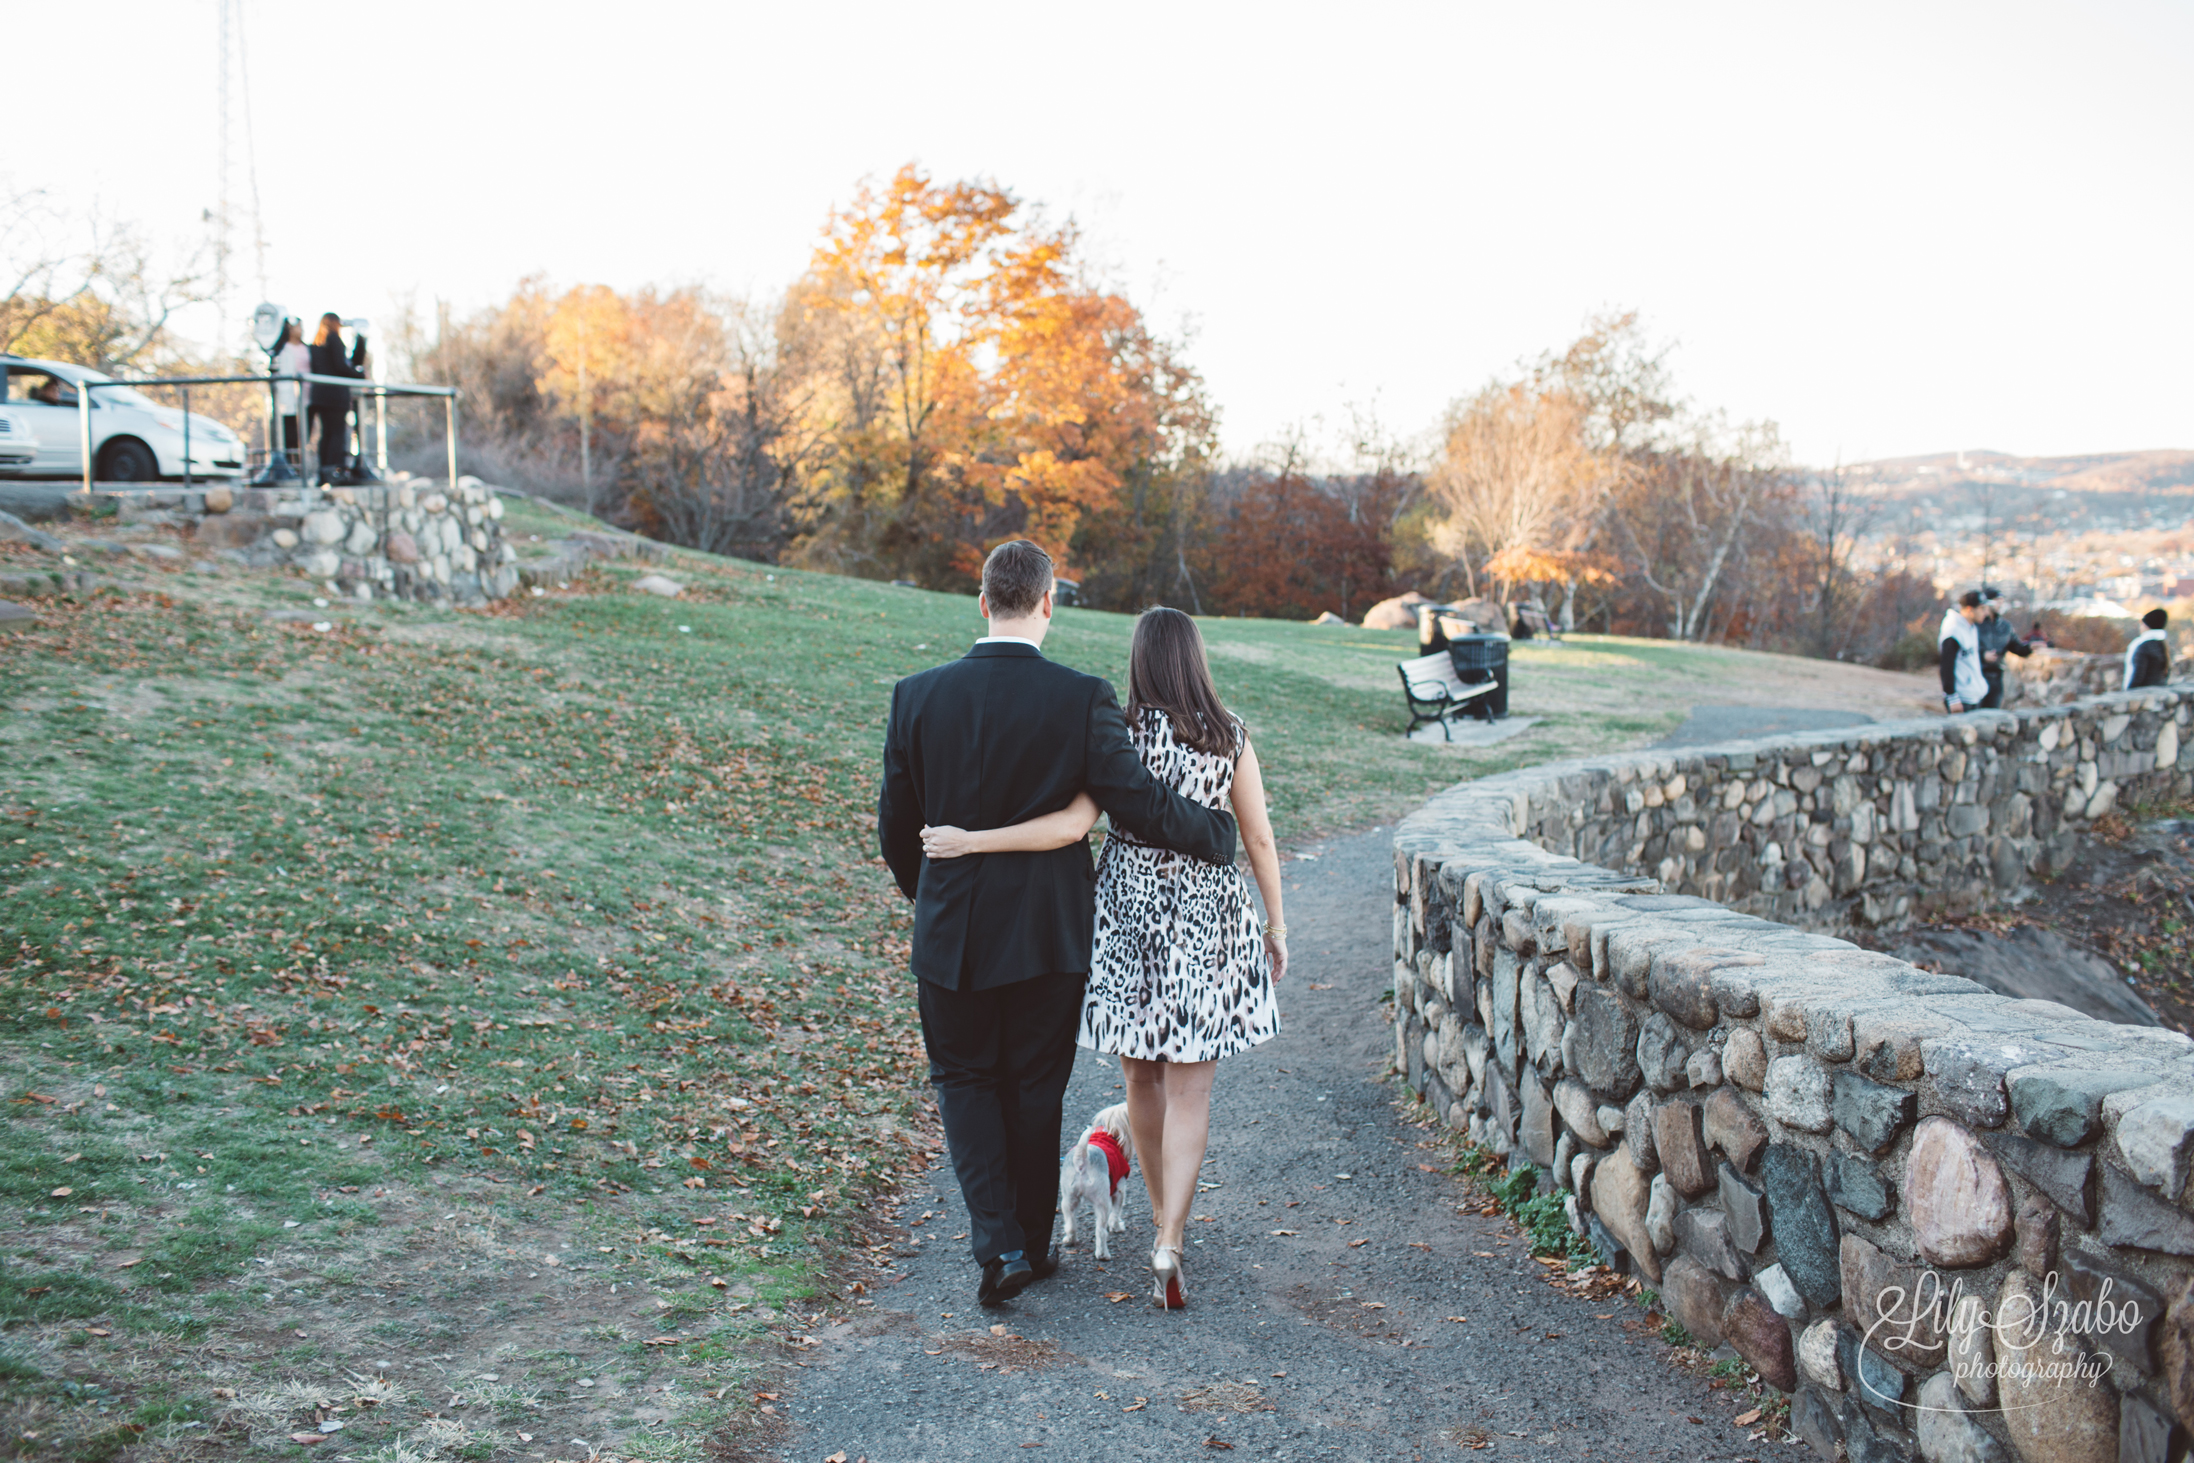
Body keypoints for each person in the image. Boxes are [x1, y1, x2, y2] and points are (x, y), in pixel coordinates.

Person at [876, 541, 1238, 1310]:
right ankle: (1031, 1243)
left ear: (982, 602)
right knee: (1034, 1086)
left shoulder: (916, 697)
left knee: (964, 1080)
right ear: (1048, 603)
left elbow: (896, 829)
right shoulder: (1080, 697)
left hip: (953, 933)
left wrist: (933, 900)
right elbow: (1134, 799)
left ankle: (1001, 1241)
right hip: (1047, 935)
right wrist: (1214, 833)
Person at [307, 313, 367, 478]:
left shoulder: (315, 345)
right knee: (336, 433)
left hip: (320, 396)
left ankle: (324, 470)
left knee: (326, 433)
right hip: (334, 395)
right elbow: (340, 366)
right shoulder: (334, 340)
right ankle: (333, 470)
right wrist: (359, 375)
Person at [1976, 588, 2032, 709]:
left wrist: (2031, 647)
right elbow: (1965, 648)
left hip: (1996, 678)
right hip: (1976, 675)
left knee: (1993, 715)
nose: (2000, 605)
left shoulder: (2005, 626)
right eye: (1997, 601)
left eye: (2002, 601)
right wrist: (1982, 655)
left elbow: (2016, 647)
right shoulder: (1976, 624)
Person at [1939, 591, 1990, 714]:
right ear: (1969, 609)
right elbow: (1946, 666)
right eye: (1982, 609)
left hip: (1973, 695)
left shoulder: (1970, 626)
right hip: (1962, 699)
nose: (1986, 613)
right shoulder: (1953, 630)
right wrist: (1952, 698)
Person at [273, 319, 310, 457]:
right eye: (297, 327)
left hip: (307, 398)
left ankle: (303, 465)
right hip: (289, 399)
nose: (301, 330)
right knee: (290, 435)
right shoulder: (282, 350)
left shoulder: (307, 349)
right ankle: (291, 465)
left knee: (305, 435)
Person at [2126, 608, 2171, 690]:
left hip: (2142, 695)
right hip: (2157, 692)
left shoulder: (2143, 646)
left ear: (2146, 625)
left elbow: (2138, 675)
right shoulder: (2162, 644)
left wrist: (2128, 693)